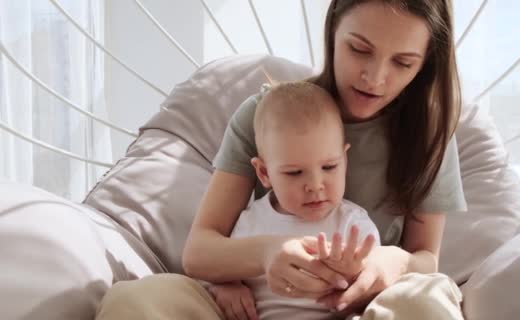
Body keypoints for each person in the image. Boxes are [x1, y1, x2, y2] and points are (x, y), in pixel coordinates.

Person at [95, 0, 467, 319]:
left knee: (428, 299)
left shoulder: (429, 137)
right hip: (253, 309)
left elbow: (424, 259)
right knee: (135, 300)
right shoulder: (264, 115)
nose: (375, 77)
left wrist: (393, 262)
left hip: (360, 309)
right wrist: (267, 254)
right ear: (333, 31)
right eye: (359, 49)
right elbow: (200, 252)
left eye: (403, 62)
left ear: (425, 65)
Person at [213, 81, 380, 320]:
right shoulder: (250, 222)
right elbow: (218, 269)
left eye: (329, 167)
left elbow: (377, 285)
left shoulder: (352, 223)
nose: (315, 185)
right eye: (294, 173)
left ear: (345, 160)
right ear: (264, 173)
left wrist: (354, 274)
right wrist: (227, 287)